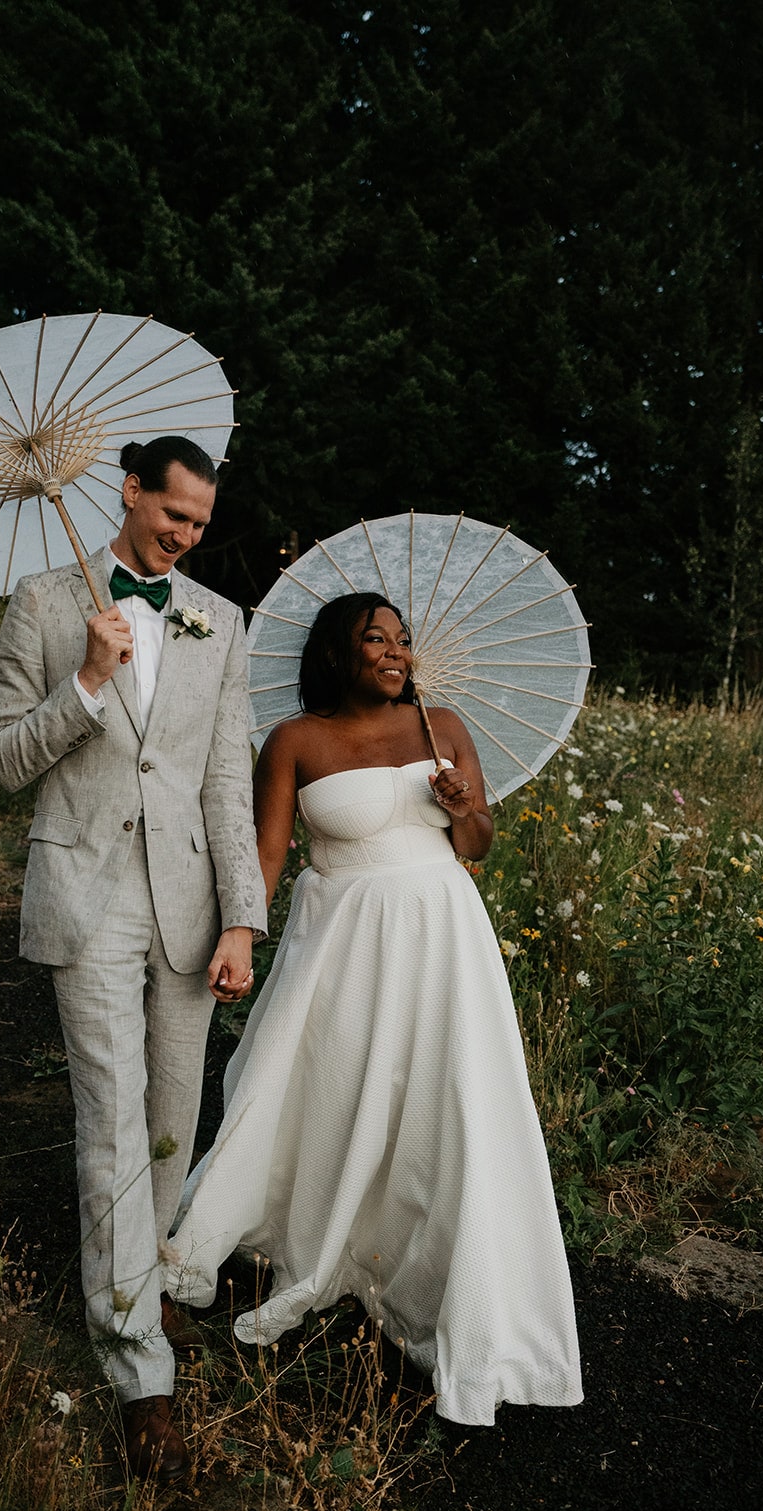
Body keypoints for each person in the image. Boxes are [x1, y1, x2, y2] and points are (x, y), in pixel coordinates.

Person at [165, 591, 582, 1426]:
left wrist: (466, 807)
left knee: (447, 1098)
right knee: (327, 1086)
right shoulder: (294, 740)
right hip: (343, 941)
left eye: (401, 640)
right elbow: (268, 852)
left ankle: (440, 1278)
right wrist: (240, 936)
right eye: (374, 640)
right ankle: (317, 1239)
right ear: (336, 653)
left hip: (442, 934)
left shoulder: (442, 724)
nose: (395, 653)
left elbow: (476, 847)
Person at [0, 436, 267, 1482]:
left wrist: (241, 918)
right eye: (170, 515)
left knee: (167, 1120)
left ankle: (136, 1282)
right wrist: (89, 679)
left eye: (198, 522)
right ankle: (136, 1366)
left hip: (188, 904)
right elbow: (5, 758)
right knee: (108, 1117)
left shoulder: (218, 619)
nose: (184, 535)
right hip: (85, 892)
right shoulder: (43, 602)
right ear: (128, 492)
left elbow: (225, 781)